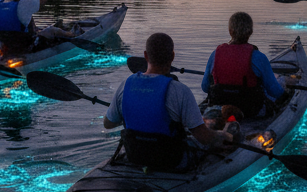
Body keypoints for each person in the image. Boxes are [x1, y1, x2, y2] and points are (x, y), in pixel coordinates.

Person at [104, 32, 231, 170]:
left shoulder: (125, 86)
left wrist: (132, 109)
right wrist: (221, 135)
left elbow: (108, 124)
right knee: (223, 135)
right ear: (172, 56)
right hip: (171, 160)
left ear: (146, 56)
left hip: (135, 156)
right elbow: (203, 137)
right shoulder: (180, 91)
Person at [200, 12, 287, 117]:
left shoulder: (215, 55)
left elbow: (205, 87)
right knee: (280, 81)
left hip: (221, 109)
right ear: (250, 32)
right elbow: (275, 91)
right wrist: (286, 94)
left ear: (230, 31)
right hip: (252, 111)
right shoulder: (259, 57)